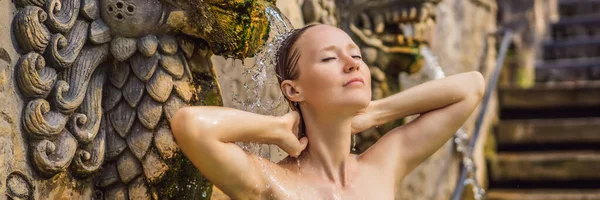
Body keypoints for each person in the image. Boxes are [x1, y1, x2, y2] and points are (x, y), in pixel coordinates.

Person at [171, 24, 485, 199]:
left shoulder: (383, 164)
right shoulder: (270, 183)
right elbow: (191, 124)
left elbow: (472, 87)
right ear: (293, 90)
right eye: (328, 59)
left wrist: (375, 112)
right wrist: (275, 129)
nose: (353, 63)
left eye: (356, 54)